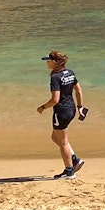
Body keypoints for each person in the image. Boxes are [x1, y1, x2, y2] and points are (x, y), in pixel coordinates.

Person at [37, 51, 85, 179]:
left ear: (54, 62)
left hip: (61, 111)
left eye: (48, 60)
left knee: (63, 142)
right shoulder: (70, 73)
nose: (46, 63)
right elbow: (79, 90)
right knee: (55, 137)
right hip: (71, 109)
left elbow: (55, 100)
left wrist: (42, 107)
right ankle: (74, 158)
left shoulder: (55, 77)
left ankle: (69, 171)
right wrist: (80, 106)